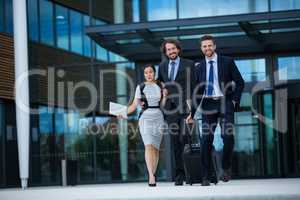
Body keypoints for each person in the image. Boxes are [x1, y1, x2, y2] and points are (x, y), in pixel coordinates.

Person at [187, 35, 244, 186]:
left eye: (209, 45)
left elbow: (240, 82)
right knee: (206, 140)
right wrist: (192, 113)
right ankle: (206, 176)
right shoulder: (198, 67)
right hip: (207, 106)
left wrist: (234, 99)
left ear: (214, 46)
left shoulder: (227, 61)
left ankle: (225, 167)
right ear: (201, 48)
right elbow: (196, 92)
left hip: (225, 102)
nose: (207, 48)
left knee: (228, 137)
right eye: (204, 46)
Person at [120, 64, 167, 187]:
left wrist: (165, 97)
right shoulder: (140, 87)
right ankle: (151, 176)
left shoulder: (160, 86)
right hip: (145, 117)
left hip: (158, 116)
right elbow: (134, 105)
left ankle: (153, 173)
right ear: (144, 74)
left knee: (156, 148)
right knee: (148, 145)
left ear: (154, 73)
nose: (148, 74)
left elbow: (162, 104)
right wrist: (122, 112)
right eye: (146, 73)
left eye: (150, 72)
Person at [158, 39, 195, 186]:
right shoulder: (162, 66)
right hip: (170, 109)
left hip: (185, 107)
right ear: (165, 52)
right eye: (168, 50)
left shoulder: (189, 64)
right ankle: (179, 174)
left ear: (178, 49)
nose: (171, 52)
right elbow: (160, 83)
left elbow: (194, 86)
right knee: (175, 142)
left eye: (173, 49)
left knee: (185, 140)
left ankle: (190, 173)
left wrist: (193, 109)